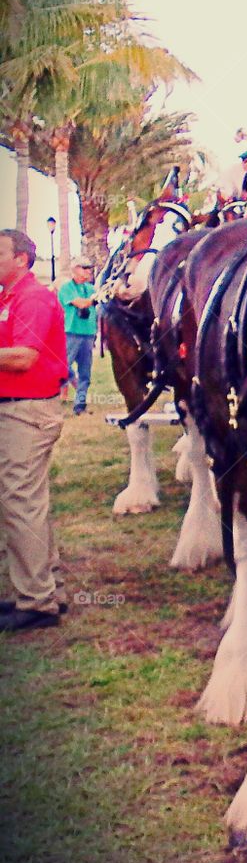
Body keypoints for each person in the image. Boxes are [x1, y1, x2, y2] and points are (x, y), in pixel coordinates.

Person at [0, 229, 69, 632]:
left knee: (21, 504)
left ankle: (37, 601)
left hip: (25, 412)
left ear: (21, 259)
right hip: (21, 411)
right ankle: (43, 591)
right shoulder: (12, 297)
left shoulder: (32, 298)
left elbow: (24, 357)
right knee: (29, 503)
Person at [58, 259, 97, 414]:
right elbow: (80, 304)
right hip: (71, 332)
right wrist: (97, 298)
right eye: (85, 268)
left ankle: (80, 405)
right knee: (63, 367)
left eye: (90, 267)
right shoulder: (66, 288)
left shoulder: (91, 288)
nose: (89, 271)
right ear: (74, 270)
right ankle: (59, 395)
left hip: (88, 333)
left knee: (85, 372)